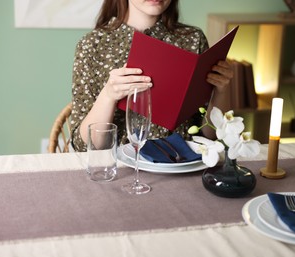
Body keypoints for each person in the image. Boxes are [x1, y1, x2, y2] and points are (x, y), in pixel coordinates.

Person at [70, 0, 233, 152]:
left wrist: (222, 91)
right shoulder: (92, 45)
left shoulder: (193, 39)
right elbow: (84, 146)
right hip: (122, 170)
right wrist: (108, 96)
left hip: (180, 166)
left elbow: (207, 135)